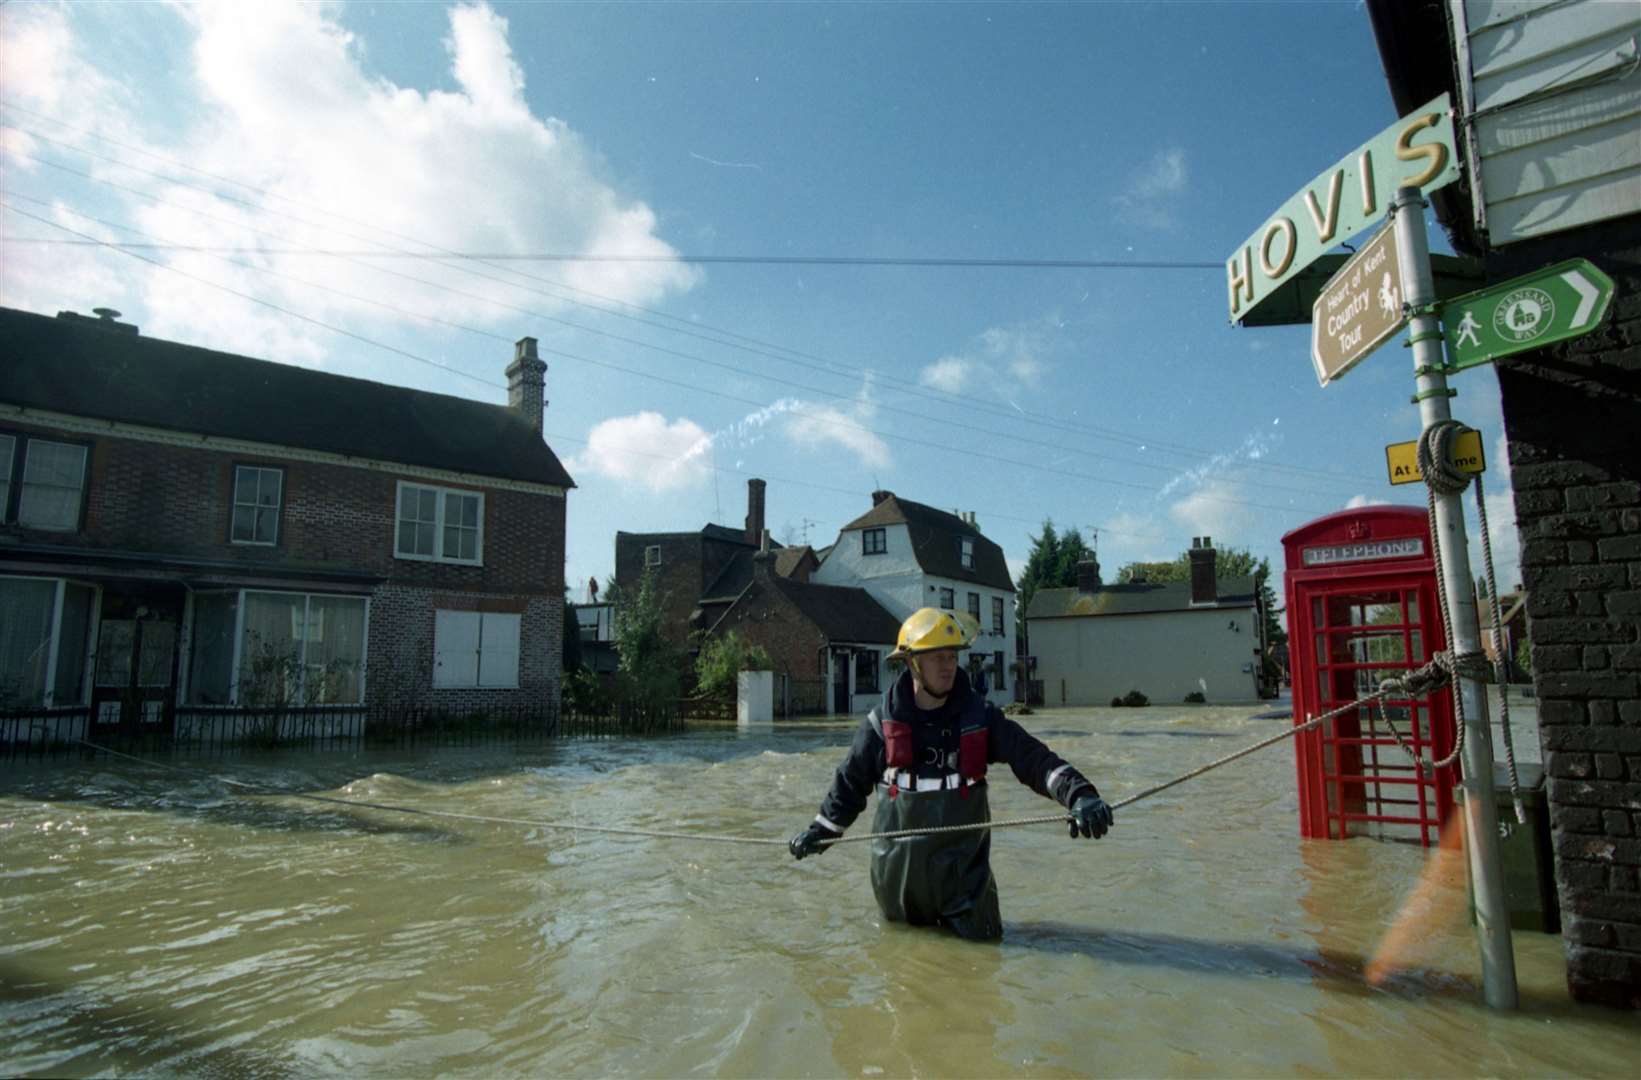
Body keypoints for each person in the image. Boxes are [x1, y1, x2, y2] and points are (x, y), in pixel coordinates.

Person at [789, 608, 1113, 941]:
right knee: (903, 976)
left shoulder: (981, 719)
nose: (948, 666)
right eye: (937, 657)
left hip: (966, 893)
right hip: (898, 889)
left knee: (979, 973)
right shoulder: (879, 726)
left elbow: (1033, 759)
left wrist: (1080, 795)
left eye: (952, 656)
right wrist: (819, 832)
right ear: (912, 663)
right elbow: (849, 785)